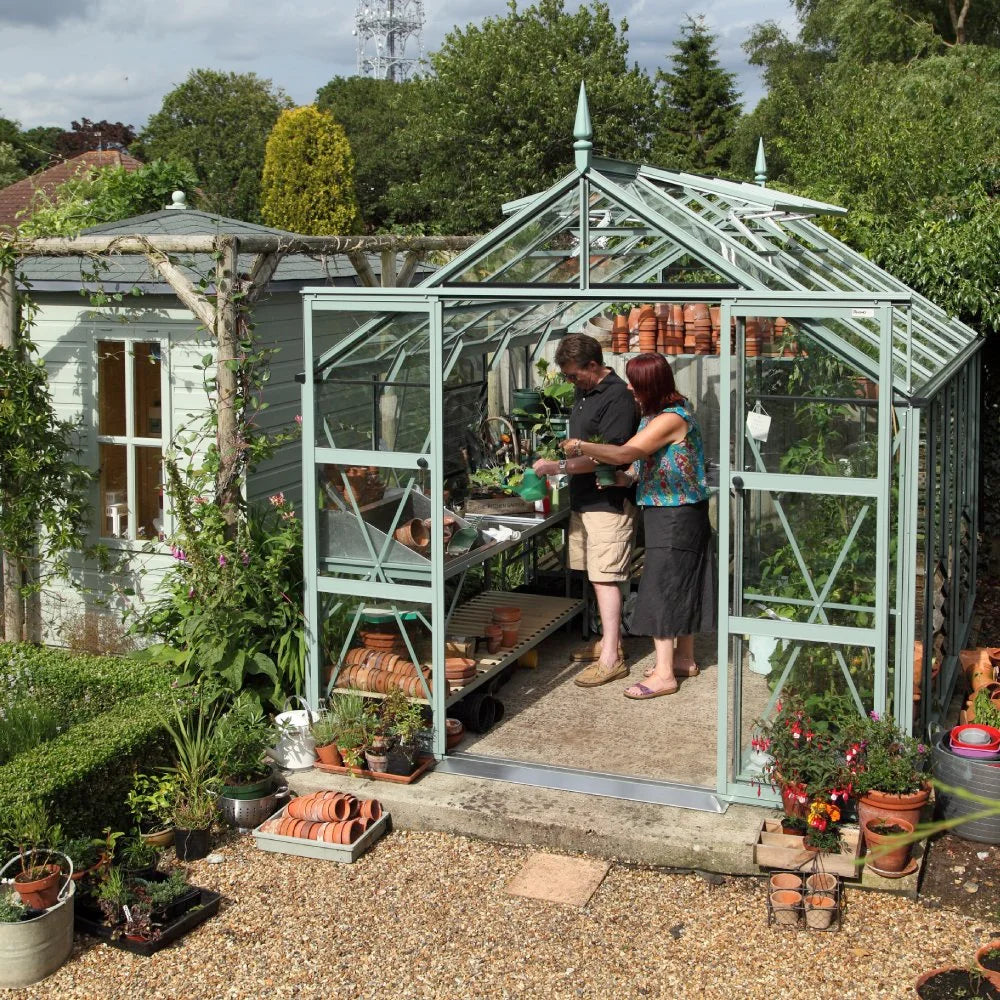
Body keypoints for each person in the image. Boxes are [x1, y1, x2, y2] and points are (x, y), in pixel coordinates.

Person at [561, 353, 715, 699]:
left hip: (675, 514)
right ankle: (683, 659)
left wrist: (581, 446)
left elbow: (624, 452)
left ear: (651, 385)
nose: (629, 386)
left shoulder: (672, 419)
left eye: (635, 382)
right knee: (682, 584)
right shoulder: (657, 416)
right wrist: (625, 478)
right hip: (675, 510)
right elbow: (647, 462)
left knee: (661, 589)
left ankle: (663, 675)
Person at [531, 333, 639, 687]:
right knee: (595, 574)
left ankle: (612, 658)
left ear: (594, 365)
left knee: (606, 576)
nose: (570, 382)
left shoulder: (619, 398)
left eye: (574, 375)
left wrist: (558, 467)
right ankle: (609, 641)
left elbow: (609, 455)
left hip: (607, 502)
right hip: (585, 500)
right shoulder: (585, 390)